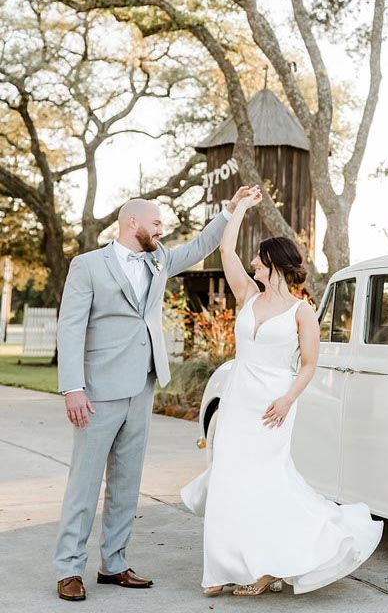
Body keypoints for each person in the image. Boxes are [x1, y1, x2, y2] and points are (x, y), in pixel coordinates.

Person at [54, 187, 253, 602]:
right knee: (85, 482)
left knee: (126, 483)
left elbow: (201, 245)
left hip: (142, 386)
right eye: (157, 223)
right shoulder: (87, 265)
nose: (162, 230)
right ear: (133, 223)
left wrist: (229, 210)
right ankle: (69, 569)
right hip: (97, 391)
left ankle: (115, 564)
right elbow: (70, 328)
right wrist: (73, 387)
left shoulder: (159, 259)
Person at [181, 186, 383, 597]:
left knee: (263, 482)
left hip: (274, 405)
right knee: (228, 480)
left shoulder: (302, 311)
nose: (252, 261)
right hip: (239, 401)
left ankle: (266, 567)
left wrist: (289, 399)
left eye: (259, 256)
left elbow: (309, 364)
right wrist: (236, 209)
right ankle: (221, 567)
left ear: (272, 263)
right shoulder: (246, 296)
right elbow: (226, 250)